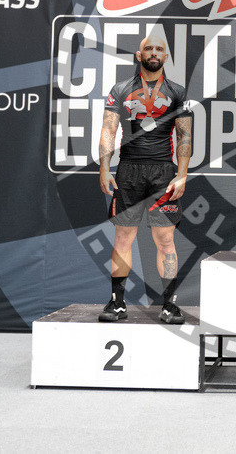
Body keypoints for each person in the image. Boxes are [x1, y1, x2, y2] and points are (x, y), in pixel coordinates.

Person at [98, 35, 193, 324]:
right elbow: (108, 131)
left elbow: (185, 135)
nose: (153, 53)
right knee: (122, 237)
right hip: (128, 171)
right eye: (148, 49)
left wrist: (182, 174)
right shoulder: (120, 89)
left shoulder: (177, 92)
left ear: (166, 56)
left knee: (165, 239)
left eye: (159, 49)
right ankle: (117, 302)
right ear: (139, 55)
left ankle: (169, 305)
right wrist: (104, 168)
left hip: (163, 172)